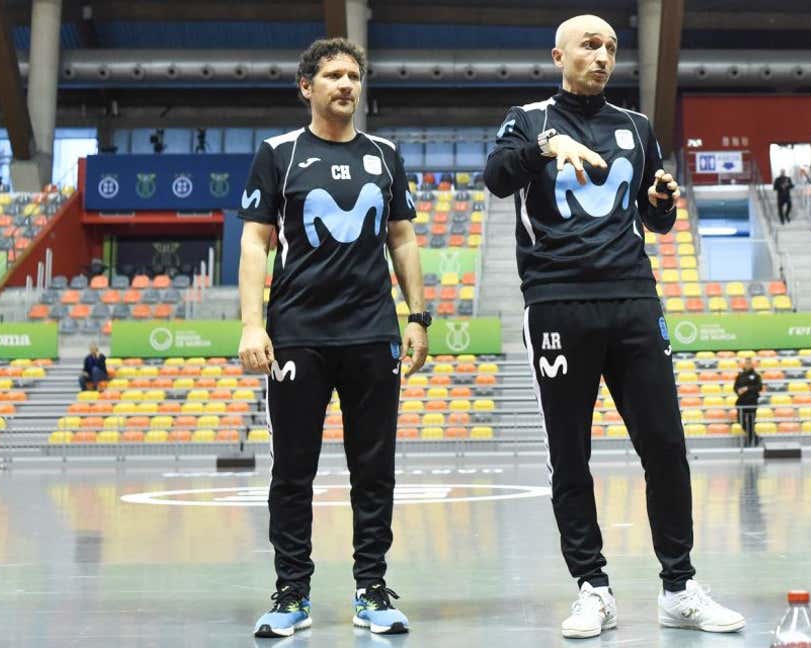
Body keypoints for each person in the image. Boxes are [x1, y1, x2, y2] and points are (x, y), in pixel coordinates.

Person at [484, 14, 745, 640]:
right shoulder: (528, 120)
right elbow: (496, 180)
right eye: (589, 46)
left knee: (666, 447)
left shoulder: (636, 127)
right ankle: (591, 589)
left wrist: (660, 202)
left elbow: (655, 225)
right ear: (558, 55)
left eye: (610, 47)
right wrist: (548, 146)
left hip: (633, 299)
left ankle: (679, 587)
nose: (602, 56)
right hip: (555, 303)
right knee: (570, 456)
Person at [237, 37, 429, 638]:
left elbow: (401, 237)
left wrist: (418, 316)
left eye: (354, 75)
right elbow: (254, 242)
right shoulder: (279, 154)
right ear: (307, 87)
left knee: (374, 470)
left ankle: (372, 589)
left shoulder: (385, 154)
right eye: (333, 76)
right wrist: (251, 323)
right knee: (292, 471)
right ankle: (291, 592)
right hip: (298, 336)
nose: (346, 85)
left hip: (373, 335)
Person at [733, 357, 763, 447]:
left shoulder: (756, 376)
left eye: (749, 363)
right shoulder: (740, 375)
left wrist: (747, 388)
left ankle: (750, 440)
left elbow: (759, 387)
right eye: (746, 363)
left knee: (750, 422)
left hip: (752, 402)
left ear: (752, 364)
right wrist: (738, 391)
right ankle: (755, 437)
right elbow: (735, 387)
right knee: (740, 420)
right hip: (741, 402)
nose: (748, 365)